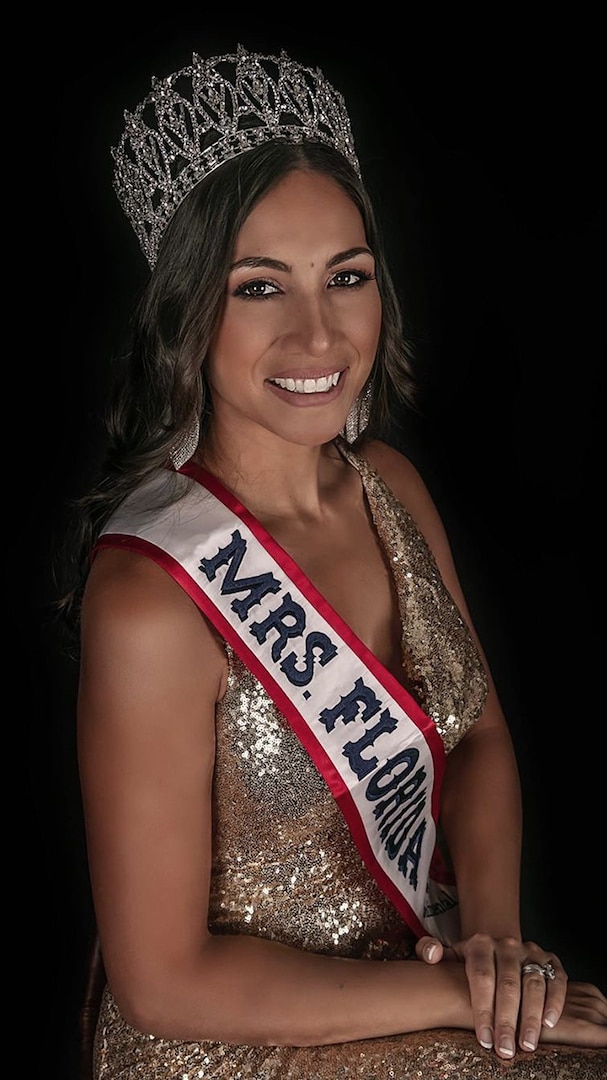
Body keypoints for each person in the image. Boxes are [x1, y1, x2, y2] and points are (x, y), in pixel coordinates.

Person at [57, 45, 606, 1079]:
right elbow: (162, 980)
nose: (318, 333)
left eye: (345, 277)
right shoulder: (148, 595)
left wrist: (493, 953)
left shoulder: (390, 484)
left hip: (423, 960)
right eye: (260, 287)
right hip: (227, 1040)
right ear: (189, 315)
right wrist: (458, 994)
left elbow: (477, 736)